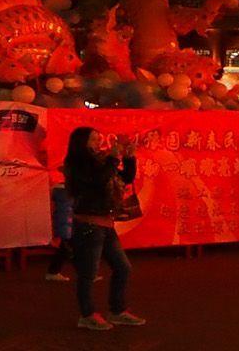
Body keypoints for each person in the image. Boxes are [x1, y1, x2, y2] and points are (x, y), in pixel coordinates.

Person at [62, 126, 146, 330]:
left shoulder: (101, 160)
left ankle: (117, 311)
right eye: (93, 139)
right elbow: (98, 180)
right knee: (88, 273)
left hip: (105, 223)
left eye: (99, 138)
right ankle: (87, 314)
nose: (98, 142)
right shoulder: (77, 162)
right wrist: (114, 159)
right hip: (89, 223)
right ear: (82, 142)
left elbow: (125, 178)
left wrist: (129, 158)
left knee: (122, 267)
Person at [41, 171, 75, 282]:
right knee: (68, 245)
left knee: (68, 245)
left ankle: (53, 271)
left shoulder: (60, 190)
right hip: (68, 224)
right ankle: (53, 271)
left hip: (66, 224)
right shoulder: (66, 191)